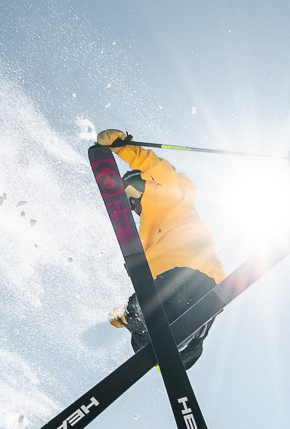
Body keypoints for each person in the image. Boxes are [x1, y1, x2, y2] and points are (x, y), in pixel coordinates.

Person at [96, 128, 224, 368]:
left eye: (132, 191)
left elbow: (160, 169)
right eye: (126, 201)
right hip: (168, 294)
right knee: (146, 337)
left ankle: (159, 329)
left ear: (147, 183)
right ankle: (174, 351)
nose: (132, 203)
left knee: (158, 305)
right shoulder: (145, 240)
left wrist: (125, 149)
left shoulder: (174, 196)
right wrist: (130, 314)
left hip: (195, 277)